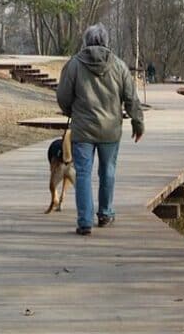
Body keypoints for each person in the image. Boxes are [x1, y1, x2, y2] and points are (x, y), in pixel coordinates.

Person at [56, 23, 144, 236]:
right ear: (106, 41)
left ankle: (84, 221)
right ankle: (105, 213)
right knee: (108, 171)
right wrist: (137, 121)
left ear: (86, 41)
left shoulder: (74, 65)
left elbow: (63, 97)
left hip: (83, 130)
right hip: (110, 130)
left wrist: (71, 111)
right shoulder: (119, 66)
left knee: (83, 174)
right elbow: (131, 97)